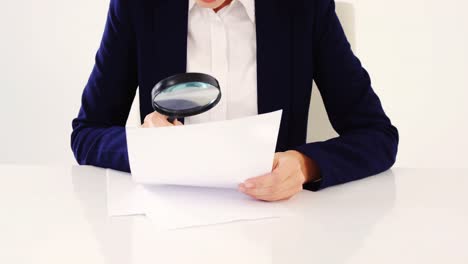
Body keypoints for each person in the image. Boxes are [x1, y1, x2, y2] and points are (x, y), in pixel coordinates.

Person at [71, 0, 399, 202]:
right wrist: (145, 145)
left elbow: (377, 136)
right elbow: (87, 133)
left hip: (277, 228)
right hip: (167, 230)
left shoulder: (304, 7)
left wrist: (303, 165)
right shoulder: (137, 7)